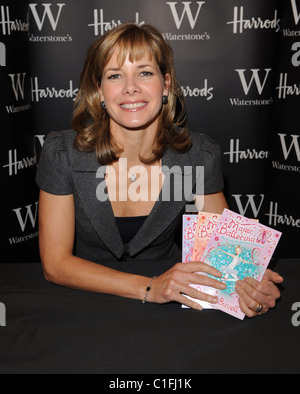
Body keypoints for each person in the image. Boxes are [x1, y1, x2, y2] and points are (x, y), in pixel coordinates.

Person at [36, 22, 283, 318]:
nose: (131, 87)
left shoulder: (199, 156)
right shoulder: (62, 153)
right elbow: (56, 264)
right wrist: (150, 288)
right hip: (85, 305)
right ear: (99, 91)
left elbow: (224, 256)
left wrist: (249, 289)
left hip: (166, 314)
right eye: (115, 75)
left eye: (144, 72)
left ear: (165, 85)